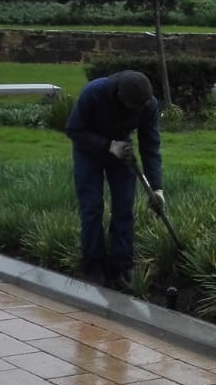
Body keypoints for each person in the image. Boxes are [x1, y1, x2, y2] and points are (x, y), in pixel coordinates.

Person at [65, 70, 164, 287]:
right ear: (120, 97)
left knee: (124, 207)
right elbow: (74, 130)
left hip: (122, 152)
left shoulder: (148, 105)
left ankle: (122, 266)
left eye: (140, 107)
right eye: (132, 107)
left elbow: (150, 146)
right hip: (88, 152)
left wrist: (156, 188)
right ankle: (93, 265)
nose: (137, 111)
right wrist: (108, 146)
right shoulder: (94, 93)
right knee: (91, 208)